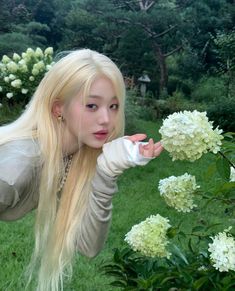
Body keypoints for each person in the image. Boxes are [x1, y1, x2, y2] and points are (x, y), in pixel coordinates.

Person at [0, 49, 163, 290]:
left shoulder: (71, 156)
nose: (107, 119)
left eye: (114, 106)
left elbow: (87, 245)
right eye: (91, 105)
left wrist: (107, 172)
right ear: (58, 109)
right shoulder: (16, 168)